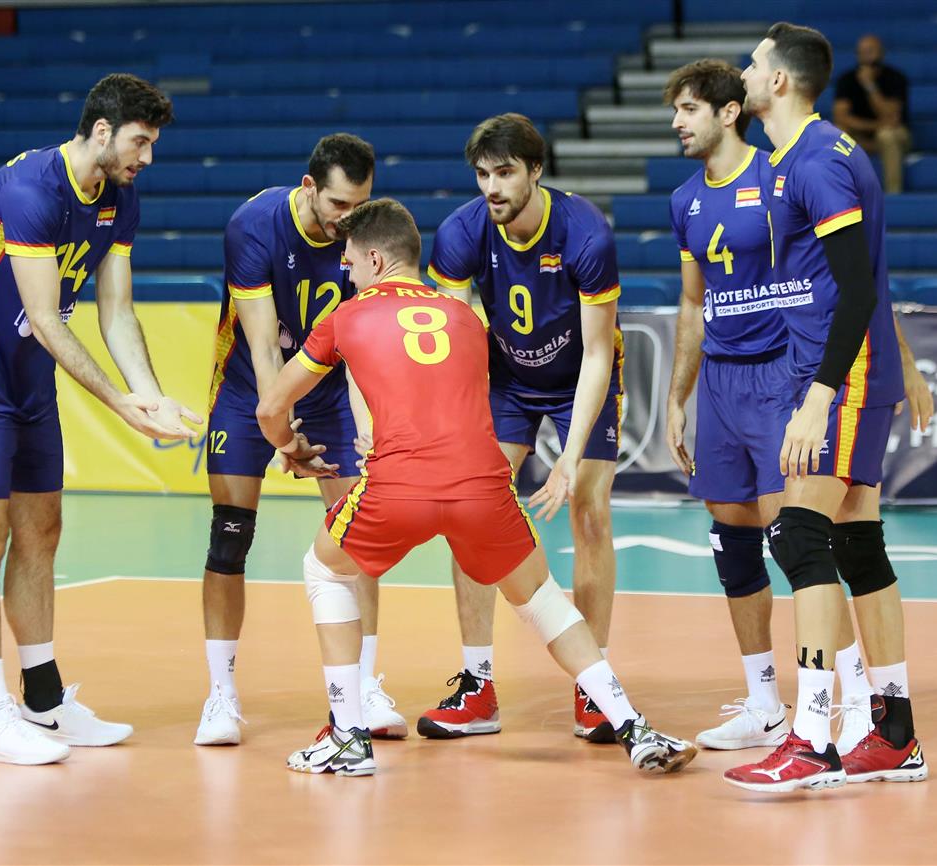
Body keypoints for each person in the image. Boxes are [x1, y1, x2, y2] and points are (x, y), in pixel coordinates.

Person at [254, 198, 696, 777]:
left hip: (399, 486)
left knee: (325, 570)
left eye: (351, 262)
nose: (346, 271)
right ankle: (633, 726)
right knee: (543, 600)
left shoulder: (347, 315)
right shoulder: (466, 319)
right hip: (483, 487)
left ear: (376, 259)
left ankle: (346, 734)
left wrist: (290, 446)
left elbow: (271, 407)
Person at [0, 73, 198, 766]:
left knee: (42, 530)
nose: (147, 157)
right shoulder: (31, 191)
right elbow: (45, 319)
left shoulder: (120, 198)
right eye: (139, 141)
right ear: (102, 130)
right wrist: (118, 404)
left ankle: (42, 703)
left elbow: (117, 311)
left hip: (30, 385)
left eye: (153, 144)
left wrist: (150, 395)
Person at [663, 59, 934, 754]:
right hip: (723, 380)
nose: (676, 123)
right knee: (736, 532)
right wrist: (677, 394)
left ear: (729, 111)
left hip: (787, 373)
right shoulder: (685, 199)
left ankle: (848, 705)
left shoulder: (788, 171)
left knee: (802, 535)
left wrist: (897, 364)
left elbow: (854, 280)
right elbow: (693, 303)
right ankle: (771, 706)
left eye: (688, 109)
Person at [725, 23, 929, 792]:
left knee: (797, 533)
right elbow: (859, 277)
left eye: (754, 63)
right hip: (841, 369)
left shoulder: (816, 161)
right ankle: (895, 734)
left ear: (780, 80)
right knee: (857, 545)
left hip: (841, 376)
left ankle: (812, 737)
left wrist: (817, 399)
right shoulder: (803, 157)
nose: (746, 71)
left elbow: (856, 288)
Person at [196, 134, 407, 745]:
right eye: (339, 205)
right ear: (309, 187)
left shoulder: (365, 237)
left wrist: (368, 423)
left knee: (357, 539)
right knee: (229, 535)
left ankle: (362, 687)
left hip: (330, 392)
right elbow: (264, 347)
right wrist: (281, 434)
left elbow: (366, 341)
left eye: (360, 205)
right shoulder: (254, 227)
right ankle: (221, 695)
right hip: (249, 388)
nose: (350, 220)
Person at [421, 114, 624, 743]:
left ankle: (594, 687)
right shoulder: (460, 233)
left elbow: (598, 354)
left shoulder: (586, 234)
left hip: (579, 377)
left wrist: (569, 455)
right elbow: (450, 342)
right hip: (507, 378)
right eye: (482, 174)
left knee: (589, 511)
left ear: (536, 171)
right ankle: (477, 685)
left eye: (505, 172)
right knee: (468, 509)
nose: (492, 187)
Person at [832, 35, 911, 194]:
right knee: (837, 134)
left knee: (887, 135)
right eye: (862, 52)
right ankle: (839, 195)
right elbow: (841, 117)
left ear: (881, 53)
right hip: (860, 138)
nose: (866, 57)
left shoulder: (895, 78)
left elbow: (892, 116)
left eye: (870, 51)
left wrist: (870, 86)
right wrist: (877, 125)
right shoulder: (847, 80)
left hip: (894, 137)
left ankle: (893, 194)